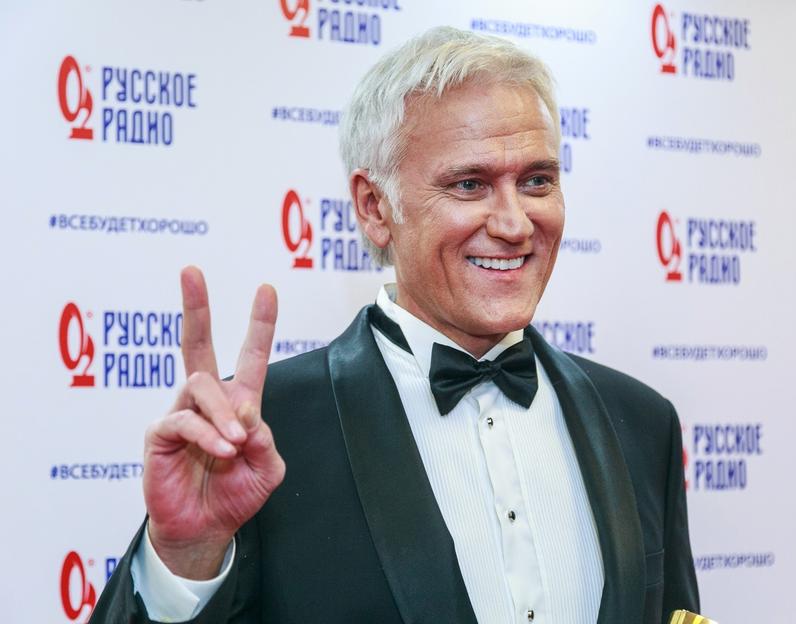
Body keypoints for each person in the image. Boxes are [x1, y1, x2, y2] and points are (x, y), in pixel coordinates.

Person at [90, 26, 698, 624]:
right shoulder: (259, 434)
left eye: (536, 181)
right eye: (470, 185)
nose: (514, 223)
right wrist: (187, 559)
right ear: (375, 207)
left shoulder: (642, 422)